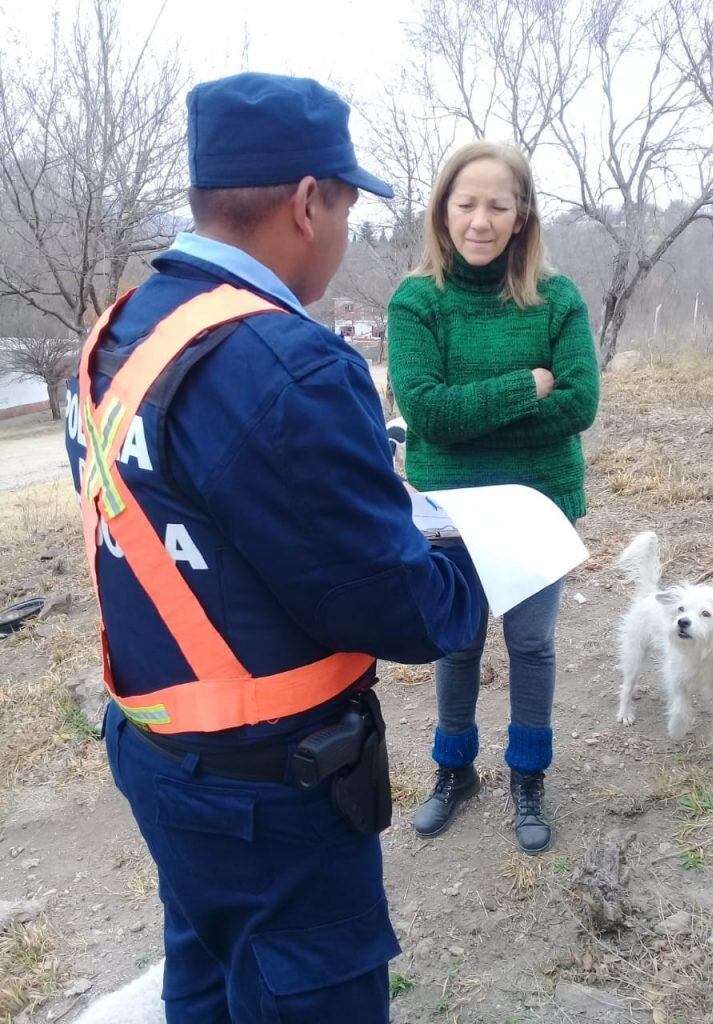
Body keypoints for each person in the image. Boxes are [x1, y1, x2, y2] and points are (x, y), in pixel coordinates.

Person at [64, 73, 484, 1024]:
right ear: (308, 201)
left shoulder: (121, 332)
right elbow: (404, 606)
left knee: (207, 985)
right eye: (343, 205)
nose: (341, 233)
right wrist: (465, 559)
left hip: (158, 756)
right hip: (272, 797)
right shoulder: (289, 366)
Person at [387, 140, 599, 854]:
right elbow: (427, 413)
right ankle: (455, 770)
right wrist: (528, 384)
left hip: (538, 505)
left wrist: (473, 413)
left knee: (532, 644)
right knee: (458, 642)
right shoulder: (418, 302)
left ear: (521, 215)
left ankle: (528, 775)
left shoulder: (556, 298)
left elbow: (580, 404)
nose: (480, 220)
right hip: (451, 513)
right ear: (443, 211)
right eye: (465, 203)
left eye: (497, 205)